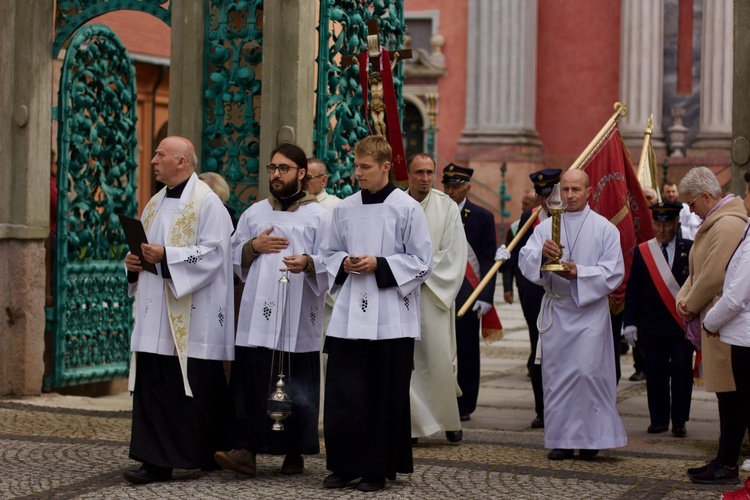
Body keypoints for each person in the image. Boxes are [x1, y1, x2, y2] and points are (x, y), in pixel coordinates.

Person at [321, 135, 432, 492]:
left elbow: (422, 263)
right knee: (342, 393)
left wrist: (380, 264)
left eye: (365, 167)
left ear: (386, 167)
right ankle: (342, 465)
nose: (358, 173)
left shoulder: (407, 208)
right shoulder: (345, 208)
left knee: (381, 394)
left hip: (390, 319)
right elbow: (327, 253)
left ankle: (376, 468)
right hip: (350, 315)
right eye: (356, 166)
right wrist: (345, 261)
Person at [123, 136, 235, 484]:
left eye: (160, 155)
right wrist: (132, 263)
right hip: (154, 310)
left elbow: (214, 254)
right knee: (153, 385)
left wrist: (166, 256)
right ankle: (152, 457)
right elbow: (145, 248)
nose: (153, 160)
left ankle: (170, 460)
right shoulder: (155, 202)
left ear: (182, 161)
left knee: (179, 390)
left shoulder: (207, 202)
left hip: (190, 313)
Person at [214, 143, 331, 478]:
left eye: (284, 169)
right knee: (251, 379)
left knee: (295, 380)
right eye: (272, 168)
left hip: (298, 314)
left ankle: (295, 450)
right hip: (256, 315)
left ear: (302, 174)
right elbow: (232, 257)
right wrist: (253, 247)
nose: (276, 175)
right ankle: (245, 450)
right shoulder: (254, 214)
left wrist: (309, 262)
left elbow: (332, 259)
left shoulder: (320, 216)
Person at [518, 169, 627, 461]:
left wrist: (580, 273)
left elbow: (614, 271)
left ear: (588, 191)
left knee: (588, 374)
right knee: (558, 378)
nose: (569, 195)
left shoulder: (605, 228)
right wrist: (542, 254)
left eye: (575, 190)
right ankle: (562, 440)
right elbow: (524, 258)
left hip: (589, 311)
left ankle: (592, 438)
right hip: (558, 309)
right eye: (564, 190)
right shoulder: (546, 227)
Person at [676, 167, 748, 485]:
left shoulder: (729, 223)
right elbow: (696, 272)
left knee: (732, 397)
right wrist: (685, 297)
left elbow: (716, 274)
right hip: (717, 320)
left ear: (707, 196)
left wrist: (691, 307)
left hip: (724, 323)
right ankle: (724, 458)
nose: (690, 211)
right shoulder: (714, 222)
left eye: (692, 204)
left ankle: (728, 462)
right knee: (726, 396)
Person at [406, 153, 467, 444]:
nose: (425, 178)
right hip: (401, 294)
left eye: (430, 172)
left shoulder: (447, 207)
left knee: (438, 357)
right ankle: (414, 425)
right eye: (419, 172)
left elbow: (454, 252)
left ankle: (448, 419)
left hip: (432, 293)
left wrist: (417, 274)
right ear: (409, 173)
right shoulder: (397, 205)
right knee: (408, 361)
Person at [496, 168, 562, 429]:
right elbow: (519, 253)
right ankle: (542, 410)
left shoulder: (568, 216)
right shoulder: (529, 217)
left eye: (549, 193)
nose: (545, 200)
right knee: (538, 350)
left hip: (562, 292)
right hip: (535, 293)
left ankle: (562, 406)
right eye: (541, 195)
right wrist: (507, 265)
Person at [622, 202, 694, 437]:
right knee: (655, 373)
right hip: (651, 326)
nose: (662, 230)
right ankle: (659, 419)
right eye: (658, 224)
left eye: (667, 224)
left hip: (680, 326)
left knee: (682, 372)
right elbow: (633, 289)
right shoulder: (644, 251)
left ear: (677, 224)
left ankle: (680, 419)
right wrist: (630, 322)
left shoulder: (689, 249)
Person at [704, 171, 750, 498]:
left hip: (745, 339)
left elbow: (736, 295)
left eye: (749, 192)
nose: (746, 200)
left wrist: (709, 322)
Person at [442, 163, 498, 422]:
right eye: (447, 186)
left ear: (467, 187)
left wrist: (485, 296)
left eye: (456, 186)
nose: (450, 191)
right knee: (438, 349)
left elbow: (488, 260)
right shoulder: (436, 212)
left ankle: (465, 403)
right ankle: (439, 397)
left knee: (467, 350)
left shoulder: (482, 217)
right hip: (440, 292)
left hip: (468, 293)